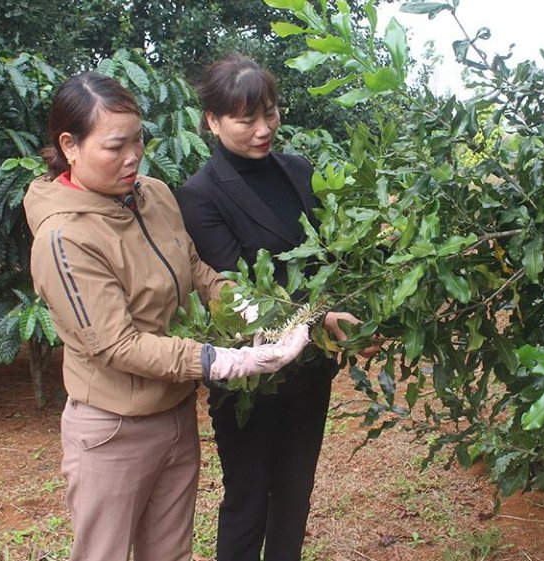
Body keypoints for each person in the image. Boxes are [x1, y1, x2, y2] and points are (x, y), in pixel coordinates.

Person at [22, 71, 310, 561]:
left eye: (138, 140)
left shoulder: (152, 195)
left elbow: (195, 270)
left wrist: (256, 310)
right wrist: (215, 359)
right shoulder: (65, 239)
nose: (133, 156)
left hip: (174, 416)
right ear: (70, 146)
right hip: (113, 429)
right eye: (116, 146)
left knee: (169, 552)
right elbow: (116, 344)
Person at [176, 54, 370, 561]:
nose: (264, 129)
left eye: (271, 112)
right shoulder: (199, 195)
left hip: (309, 365)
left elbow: (329, 257)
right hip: (249, 371)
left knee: (294, 494)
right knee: (248, 499)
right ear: (213, 121)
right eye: (247, 119)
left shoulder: (298, 171)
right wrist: (318, 318)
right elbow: (237, 293)